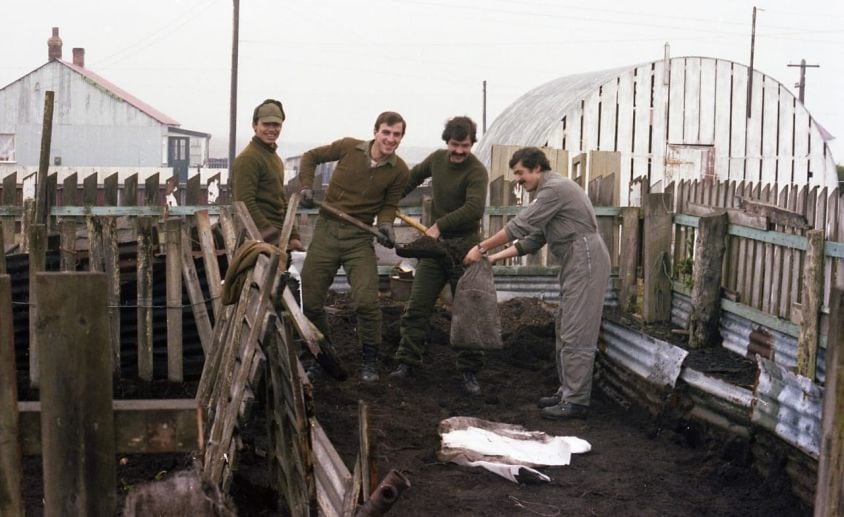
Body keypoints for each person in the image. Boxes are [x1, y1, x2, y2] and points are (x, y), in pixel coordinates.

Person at [464, 146, 610, 419]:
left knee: (577, 328)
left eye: (520, 173)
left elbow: (519, 226)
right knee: (565, 324)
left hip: (585, 258)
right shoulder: (551, 192)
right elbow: (533, 239)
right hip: (575, 260)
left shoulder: (553, 190)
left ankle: (576, 401)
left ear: (537, 168)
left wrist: (480, 248)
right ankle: (566, 391)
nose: (518, 179)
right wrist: (494, 258)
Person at [297, 112, 410, 382]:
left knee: (366, 301)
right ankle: (323, 354)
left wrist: (385, 225)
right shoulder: (349, 148)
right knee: (310, 301)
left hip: (359, 237)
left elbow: (389, 205)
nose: (390, 139)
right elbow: (310, 157)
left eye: (396, 135)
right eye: (386, 132)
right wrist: (305, 186)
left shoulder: (399, 170)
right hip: (327, 230)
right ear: (375, 131)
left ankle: (370, 361)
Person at [389, 116, 488, 395]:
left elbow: (474, 209)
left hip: (464, 248)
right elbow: (410, 179)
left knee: (468, 311)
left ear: (472, 144)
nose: (459, 151)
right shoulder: (436, 160)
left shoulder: (477, 172)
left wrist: (439, 225)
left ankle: (469, 370)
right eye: (455, 145)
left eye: (465, 146)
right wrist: (390, 199)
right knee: (418, 306)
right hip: (435, 250)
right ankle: (407, 362)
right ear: (447, 142)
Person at [232, 98, 304, 251]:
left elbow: (280, 200)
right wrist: (271, 237)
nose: (271, 129)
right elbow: (244, 204)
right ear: (254, 125)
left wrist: (294, 236)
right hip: (257, 239)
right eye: (266, 124)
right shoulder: (248, 158)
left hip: (277, 236)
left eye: (276, 125)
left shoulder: (275, 158)